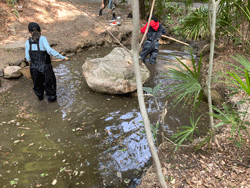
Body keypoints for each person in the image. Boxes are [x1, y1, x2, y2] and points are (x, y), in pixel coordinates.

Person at [25, 22, 68, 102]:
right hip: (45, 67)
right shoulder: (42, 39)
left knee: (38, 85)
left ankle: (40, 99)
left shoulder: (28, 42)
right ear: (40, 30)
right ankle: (52, 104)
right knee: (50, 85)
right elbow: (49, 50)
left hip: (33, 68)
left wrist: (35, 62)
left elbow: (28, 58)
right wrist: (62, 57)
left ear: (29, 32)